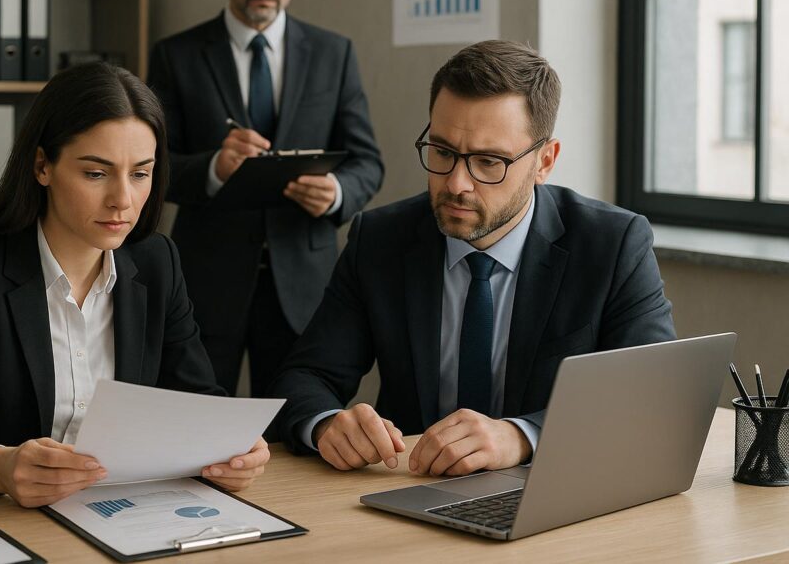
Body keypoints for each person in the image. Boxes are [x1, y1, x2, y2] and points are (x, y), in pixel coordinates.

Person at [0, 63, 269, 507]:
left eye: (140, 173)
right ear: (42, 166)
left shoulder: (155, 262)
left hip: (118, 517)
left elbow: (199, 404)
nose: (123, 200)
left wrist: (233, 450)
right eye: (96, 173)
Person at [270, 40, 676, 477]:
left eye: (488, 161)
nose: (457, 183)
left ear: (545, 161)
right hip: (410, 492)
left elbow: (650, 398)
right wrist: (327, 424)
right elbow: (304, 377)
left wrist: (522, 435)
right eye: (443, 152)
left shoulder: (612, 245)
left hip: (554, 494)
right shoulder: (381, 239)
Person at [148, 0, 383, 397]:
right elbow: (152, 168)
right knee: (196, 433)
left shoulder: (334, 53)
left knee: (297, 437)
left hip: (305, 285)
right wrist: (214, 167)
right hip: (205, 285)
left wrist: (338, 193)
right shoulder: (176, 56)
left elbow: (367, 160)